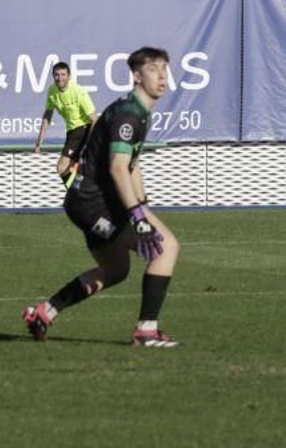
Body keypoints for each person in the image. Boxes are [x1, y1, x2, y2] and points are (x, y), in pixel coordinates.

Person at [23, 47, 183, 348]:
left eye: (164, 67)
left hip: (91, 201)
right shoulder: (128, 114)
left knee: (115, 271)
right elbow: (118, 168)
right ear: (136, 76)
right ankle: (146, 331)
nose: (161, 74)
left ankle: (44, 312)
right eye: (152, 68)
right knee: (167, 248)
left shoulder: (138, 111)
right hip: (91, 203)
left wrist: (144, 207)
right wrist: (138, 217)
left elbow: (131, 165)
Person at [33, 61, 96, 184]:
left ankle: (79, 197)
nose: (59, 78)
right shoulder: (52, 91)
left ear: (69, 76)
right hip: (72, 132)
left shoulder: (78, 92)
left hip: (84, 129)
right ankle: (81, 195)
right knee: (69, 170)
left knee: (62, 167)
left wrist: (88, 144)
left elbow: (94, 119)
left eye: (63, 75)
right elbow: (48, 114)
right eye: (56, 75)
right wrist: (39, 140)